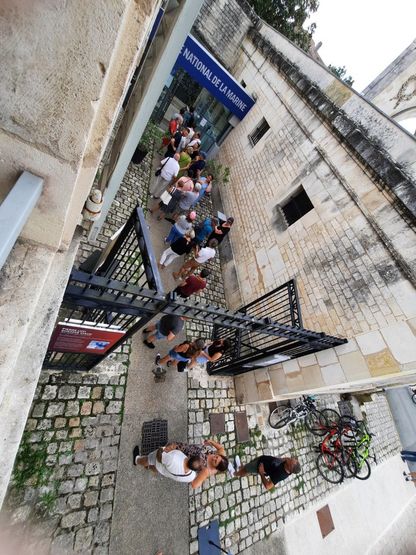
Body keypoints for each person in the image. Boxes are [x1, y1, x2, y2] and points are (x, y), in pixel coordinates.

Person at [133, 445, 202, 488]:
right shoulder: (192, 476)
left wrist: (162, 449)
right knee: (156, 468)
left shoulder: (173, 459)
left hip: (160, 462)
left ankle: (137, 460)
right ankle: (148, 467)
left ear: (191, 457)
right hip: (164, 471)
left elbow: (159, 457)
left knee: (148, 460)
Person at [233, 455, 301, 491]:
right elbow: (284, 459)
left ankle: (235, 473)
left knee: (247, 469)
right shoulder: (288, 461)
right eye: (292, 459)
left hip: (258, 466)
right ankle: (241, 467)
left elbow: (268, 486)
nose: (289, 459)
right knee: (249, 466)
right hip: (263, 459)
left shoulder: (280, 475)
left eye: (291, 461)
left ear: (290, 468)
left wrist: (261, 472)